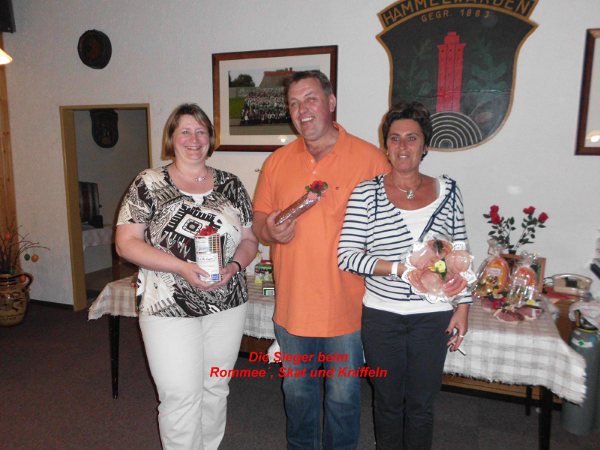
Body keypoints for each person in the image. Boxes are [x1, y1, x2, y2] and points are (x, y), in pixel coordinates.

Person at [253, 70, 390, 450]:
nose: (302, 110)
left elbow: (389, 229)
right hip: (293, 309)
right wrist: (270, 231)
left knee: (344, 400)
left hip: (349, 309)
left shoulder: (371, 160)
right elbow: (260, 221)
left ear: (331, 102)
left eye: (310, 99)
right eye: (294, 104)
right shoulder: (277, 162)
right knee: (298, 397)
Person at [115, 103, 258, 450]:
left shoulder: (231, 184)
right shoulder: (149, 183)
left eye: (201, 131)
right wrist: (180, 266)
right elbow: (126, 243)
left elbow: (250, 241)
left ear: (210, 139)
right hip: (167, 305)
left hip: (227, 302)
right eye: (185, 131)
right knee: (180, 394)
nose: (194, 139)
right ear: (172, 138)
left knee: (215, 387)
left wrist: (233, 267)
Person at [337, 101, 471, 450]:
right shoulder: (366, 193)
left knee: (421, 405)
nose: (402, 146)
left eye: (412, 138)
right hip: (383, 317)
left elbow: (460, 253)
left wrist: (463, 307)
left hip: (433, 316)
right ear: (386, 145)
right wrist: (401, 269)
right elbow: (347, 256)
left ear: (425, 145)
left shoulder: (448, 192)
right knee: (387, 403)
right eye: (394, 138)